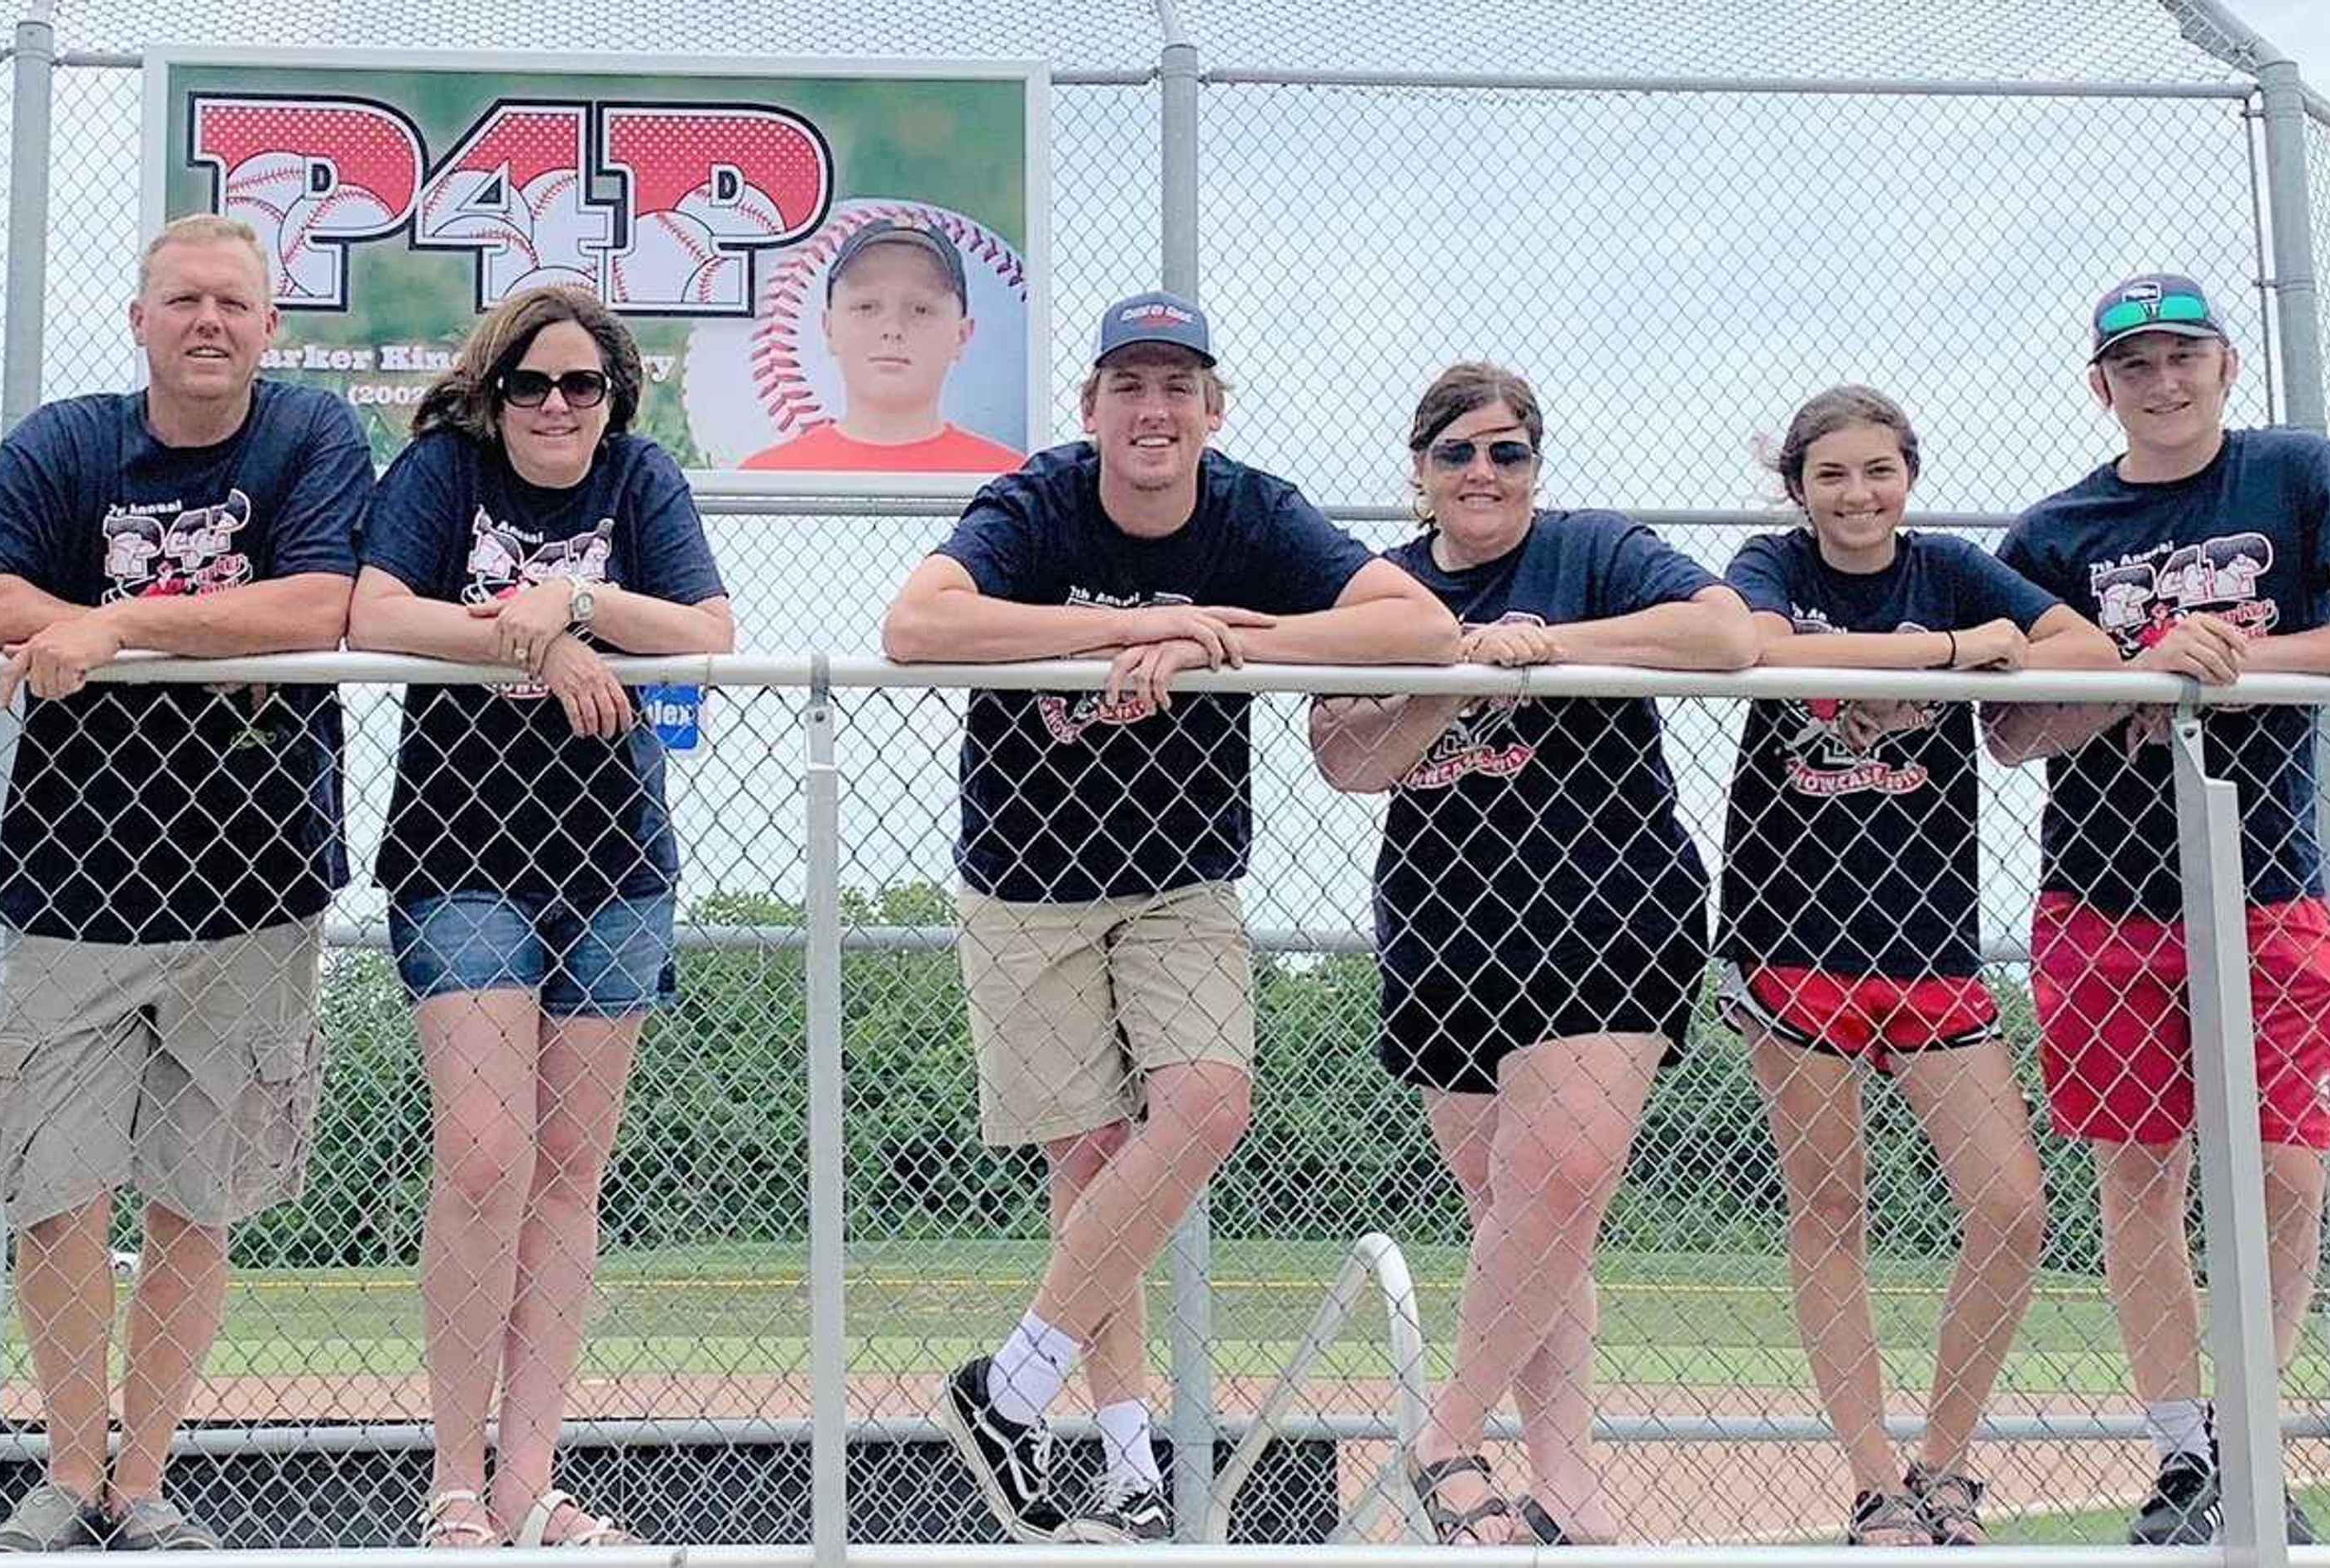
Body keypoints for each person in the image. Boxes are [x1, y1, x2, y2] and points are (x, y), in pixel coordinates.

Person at [886, 293, 1456, 1545]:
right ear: (1090, 409)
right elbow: (916, 625)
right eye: (1130, 386)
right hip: (1027, 879)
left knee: (1206, 1105)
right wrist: (1136, 624)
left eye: (1178, 386)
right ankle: (1130, 1469)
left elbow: (1419, 625)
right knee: (1092, 1174)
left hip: (1179, 872)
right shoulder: (1040, 501)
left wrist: (1226, 637)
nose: (1155, 409)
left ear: (1213, 408)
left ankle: (1012, 1385)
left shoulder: (1249, 507)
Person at [0, 214, 373, 1552]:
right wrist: (57, 619)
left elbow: (315, 606)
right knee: (57, 1189)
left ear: (270, 326)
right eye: (183, 299)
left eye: (235, 302)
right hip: (75, 875)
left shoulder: (308, 439)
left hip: (251, 877)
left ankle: (145, 1483)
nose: (209, 322)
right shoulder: (70, 444)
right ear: (139, 319)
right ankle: (67, 1474)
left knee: (199, 1192)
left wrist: (108, 624)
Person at [1994, 273, 2330, 1546]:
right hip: (2105, 895)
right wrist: (2135, 670)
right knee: (2140, 1172)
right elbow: (2016, 730)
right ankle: (2184, 1456)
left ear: (2226, 363)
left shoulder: (2296, 473)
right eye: (2134, 364)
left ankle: (2252, 1436)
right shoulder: (2053, 532)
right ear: (2102, 386)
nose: (2162, 380)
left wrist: (2234, 660)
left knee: (2289, 1174)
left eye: (2183, 354)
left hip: (2268, 883)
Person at [1307, 362, 1754, 1546]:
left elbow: (1722, 632)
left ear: (1536, 465)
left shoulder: (1595, 549)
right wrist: (1449, 668)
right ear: (1419, 471)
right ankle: (1565, 1500)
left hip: (1609, 910)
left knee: (1555, 1183)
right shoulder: (1386, 586)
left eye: (1506, 451)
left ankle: (1443, 1437)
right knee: (1526, 1219)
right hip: (1449, 928)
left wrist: (1544, 646)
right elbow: (1343, 758)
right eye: (1456, 453)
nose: (1482, 473)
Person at [346, 284, 736, 1549]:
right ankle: (454, 1484)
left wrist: (572, 609)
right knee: (482, 1160)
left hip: (614, 863)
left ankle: (529, 1481)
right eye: (531, 384)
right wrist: (529, 646)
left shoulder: (642, 479)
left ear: (614, 392)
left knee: (569, 1177)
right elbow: (379, 611)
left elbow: (706, 631)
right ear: (493, 390)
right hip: (464, 856)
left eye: (581, 385)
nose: (557, 406)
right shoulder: (443, 471)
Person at [1717, 386, 2111, 1545]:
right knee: (1833, 1206)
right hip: (1793, 937)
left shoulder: (1947, 566)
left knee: (2012, 1208)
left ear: (1909, 475)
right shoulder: (1771, 562)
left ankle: (1946, 1465)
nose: (1858, 495)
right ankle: (1875, 1481)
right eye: (1832, 474)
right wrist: (1949, 655)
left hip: (1930, 940)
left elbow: (2077, 644)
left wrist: (2002, 660)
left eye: (1879, 470)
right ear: (1798, 486)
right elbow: (1762, 648)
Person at [739, 218, 1025, 473]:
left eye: (921, 310)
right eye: (866, 307)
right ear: (829, 328)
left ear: (962, 335)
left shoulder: (1010, 480)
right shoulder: (768, 476)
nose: (893, 329)